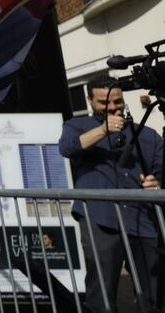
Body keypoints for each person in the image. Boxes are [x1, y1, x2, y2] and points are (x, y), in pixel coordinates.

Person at [59, 75, 162, 313]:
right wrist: (102, 131)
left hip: (142, 220)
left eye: (117, 102)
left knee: (154, 293)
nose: (112, 108)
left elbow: (160, 169)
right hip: (101, 219)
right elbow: (68, 147)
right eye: (104, 103)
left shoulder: (147, 135)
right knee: (102, 295)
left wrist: (155, 182)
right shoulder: (78, 125)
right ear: (90, 101)